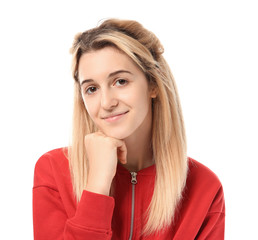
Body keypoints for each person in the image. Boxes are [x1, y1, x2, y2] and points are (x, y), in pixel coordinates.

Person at [33, 19, 225, 239]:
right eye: (92, 88)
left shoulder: (204, 187)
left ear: (153, 84)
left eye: (120, 81)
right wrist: (97, 182)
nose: (106, 102)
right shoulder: (54, 171)